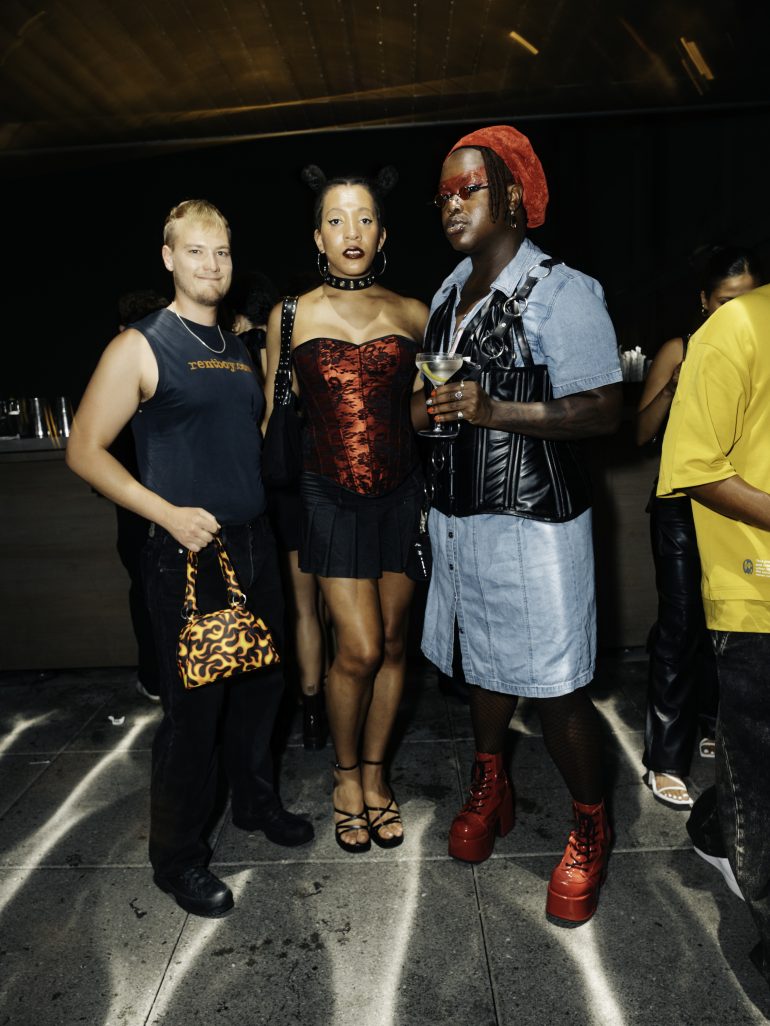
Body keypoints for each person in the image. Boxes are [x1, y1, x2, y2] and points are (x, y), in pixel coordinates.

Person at [66, 199, 313, 918]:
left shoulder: (237, 345)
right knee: (194, 712)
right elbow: (83, 450)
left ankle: (254, 805)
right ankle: (176, 858)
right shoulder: (140, 345)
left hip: (253, 543)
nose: (212, 264)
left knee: (262, 689)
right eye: (196, 251)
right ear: (169, 258)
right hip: (187, 553)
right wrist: (167, 515)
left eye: (222, 252)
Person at [421, 125, 622, 925]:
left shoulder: (562, 291)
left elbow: (604, 409)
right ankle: (490, 784)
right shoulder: (447, 293)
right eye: (442, 195)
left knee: (558, 688)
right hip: (458, 516)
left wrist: (494, 409)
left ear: (510, 196)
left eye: (466, 188)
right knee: (482, 665)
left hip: (535, 523)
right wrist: (426, 409)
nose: (451, 205)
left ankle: (590, 828)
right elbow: (433, 401)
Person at [264, 165, 428, 852]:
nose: (350, 231)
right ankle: (342, 774)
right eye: (336, 219)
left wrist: (444, 403)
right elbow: (273, 419)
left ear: (382, 234)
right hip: (327, 494)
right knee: (356, 648)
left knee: (392, 645)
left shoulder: (414, 313)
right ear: (318, 237)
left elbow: (419, 414)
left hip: (403, 494)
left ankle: (375, 776)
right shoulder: (291, 314)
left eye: (364, 218)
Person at [658, 276, 770, 988]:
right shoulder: (738, 326)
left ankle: (711, 826)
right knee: (761, 784)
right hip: (760, 593)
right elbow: (693, 465)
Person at [636, 247, 762, 808]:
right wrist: (674, 386)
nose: (738, 311)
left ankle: (715, 725)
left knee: (732, 624)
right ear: (705, 301)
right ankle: (665, 759)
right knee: (681, 624)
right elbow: (640, 433)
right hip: (683, 504)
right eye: (726, 301)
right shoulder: (682, 348)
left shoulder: (755, 344)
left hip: (739, 503)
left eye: (748, 300)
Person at [230, 271, 329, 749]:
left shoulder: (236, 350)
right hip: (327, 476)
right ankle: (331, 701)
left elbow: (260, 422)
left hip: (281, 483)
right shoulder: (309, 337)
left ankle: (307, 711)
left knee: (301, 608)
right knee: (335, 609)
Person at [112, 289, 170, 703]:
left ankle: (156, 678)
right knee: (155, 594)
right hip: (149, 505)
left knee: (149, 594)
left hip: (139, 508)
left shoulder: (120, 369)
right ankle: (159, 677)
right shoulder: (143, 370)